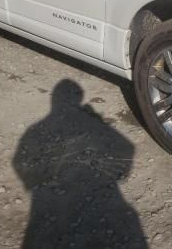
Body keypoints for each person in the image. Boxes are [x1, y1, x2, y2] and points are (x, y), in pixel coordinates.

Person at [13, 79, 146, 248]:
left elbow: (19, 161)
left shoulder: (35, 131)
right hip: (100, 200)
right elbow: (127, 147)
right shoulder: (94, 126)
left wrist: (36, 184)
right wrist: (116, 174)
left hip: (52, 205)